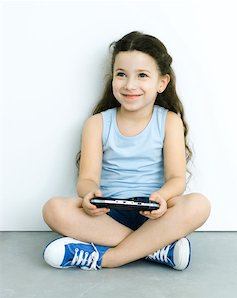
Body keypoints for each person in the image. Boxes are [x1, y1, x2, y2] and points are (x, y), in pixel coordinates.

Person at [42, 31, 211, 271]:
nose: (130, 85)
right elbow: (87, 180)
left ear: (161, 82)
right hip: (109, 213)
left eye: (142, 75)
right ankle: (157, 248)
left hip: (154, 212)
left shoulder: (170, 121)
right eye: (121, 74)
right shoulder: (97, 123)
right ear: (112, 78)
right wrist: (90, 195)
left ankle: (108, 258)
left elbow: (176, 179)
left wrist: (162, 197)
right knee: (53, 209)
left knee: (199, 205)